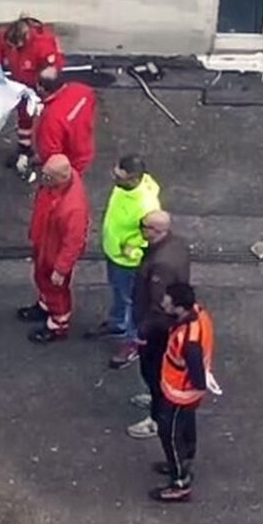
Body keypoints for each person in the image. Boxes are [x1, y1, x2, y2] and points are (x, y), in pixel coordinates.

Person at [87, 156, 162, 371]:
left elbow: (150, 234)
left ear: (134, 179)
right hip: (115, 254)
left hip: (128, 261)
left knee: (132, 302)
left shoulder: (146, 205)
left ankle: (133, 342)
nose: (114, 179)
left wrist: (133, 249)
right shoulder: (125, 188)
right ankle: (118, 324)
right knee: (119, 292)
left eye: (120, 177)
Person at [127, 210, 190, 441]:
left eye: (143, 226)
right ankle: (157, 400)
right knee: (157, 372)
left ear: (156, 231)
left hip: (157, 330)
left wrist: (143, 332)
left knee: (153, 371)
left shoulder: (161, 264)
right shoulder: (176, 246)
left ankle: (156, 418)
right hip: (165, 327)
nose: (141, 229)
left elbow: (158, 305)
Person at [150, 282, 216, 502]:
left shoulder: (189, 341)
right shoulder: (199, 315)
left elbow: (196, 376)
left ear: (179, 307)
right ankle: (183, 461)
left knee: (170, 436)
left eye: (167, 301)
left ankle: (180, 483)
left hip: (179, 394)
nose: (163, 303)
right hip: (184, 394)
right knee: (186, 429)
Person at [17, 155, 89, 343]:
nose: (43, 178)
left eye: (48, 176)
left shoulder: (72, 208)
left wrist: (61, 269)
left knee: (56, 289)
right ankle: (45, 306)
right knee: (42, 280)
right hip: (45, 244)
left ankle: (58, 324)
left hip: (54, 254)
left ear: (60, 177)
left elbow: (74, 242)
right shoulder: (58, 185)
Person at [0, 16, 65, 169]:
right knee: (24, 117)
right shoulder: (8, 35)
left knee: (47, 121)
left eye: (16, 47)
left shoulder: (42, 44)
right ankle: (24, 149)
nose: (13, 50)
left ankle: (48, 154)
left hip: (40, 86)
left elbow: (52, 70)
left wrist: (40, 88)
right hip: (21, 85)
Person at [33, 66, 96, 176]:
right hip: (84, 148)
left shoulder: (51, 118)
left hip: (68, 164)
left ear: (41, 89)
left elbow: (51, 153)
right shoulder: (83, 90)